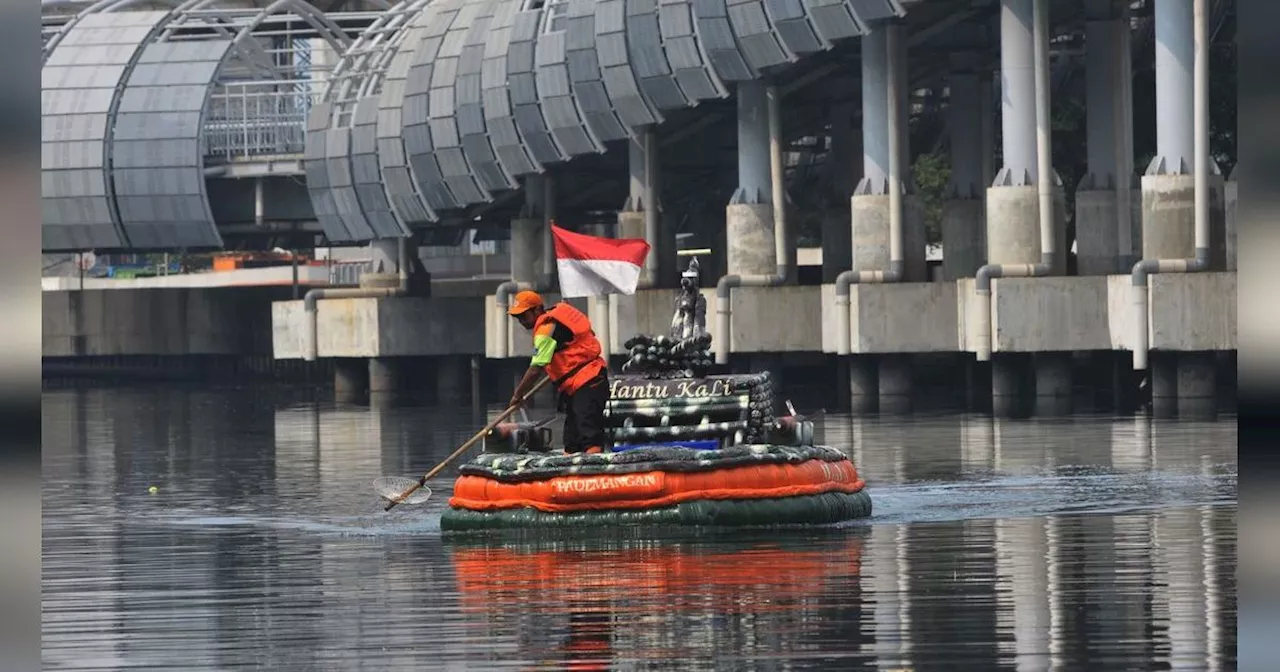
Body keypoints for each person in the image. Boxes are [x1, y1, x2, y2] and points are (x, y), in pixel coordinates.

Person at [507, 290, 609, 455]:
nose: (521, 321)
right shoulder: (557, 319)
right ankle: (570, 469)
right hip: (575, 386)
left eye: (524, 316)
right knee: (571, 441)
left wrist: (517, 395)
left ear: (537, 310)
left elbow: (536, 368)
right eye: (518, 318)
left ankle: (593, 471)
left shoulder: (546, 329)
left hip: (589, 381)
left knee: (589, 435)